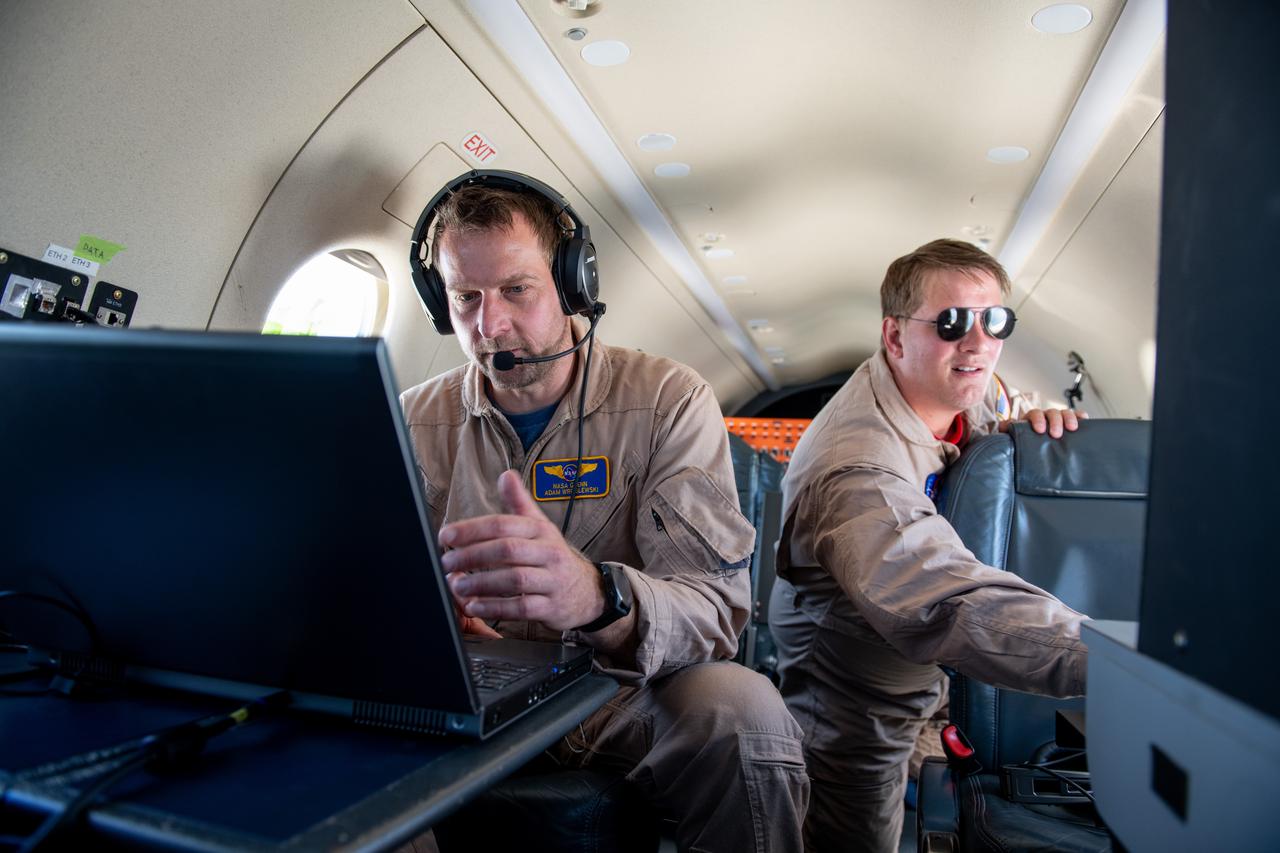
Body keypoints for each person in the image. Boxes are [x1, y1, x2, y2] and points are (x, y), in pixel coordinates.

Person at [399, 171, 808, 853]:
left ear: (572, 283)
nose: (489, 322)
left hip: (616, 689)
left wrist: (598, 596)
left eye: (516, 290)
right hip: (468, 691)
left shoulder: (667, 400)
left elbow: (715, 611)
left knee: (745, 715)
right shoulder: (410, 418)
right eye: (465, 296)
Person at [769, 239, 1086, 852]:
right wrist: (1117, 661)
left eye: (995, 321)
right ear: (894, 337)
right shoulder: (857, 468)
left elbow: (985, 439)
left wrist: (1027, 441)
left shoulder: (968, 386)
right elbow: (942, 599)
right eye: (952, 323)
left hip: (929, 678)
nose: (978, 344)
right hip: (856, 699)